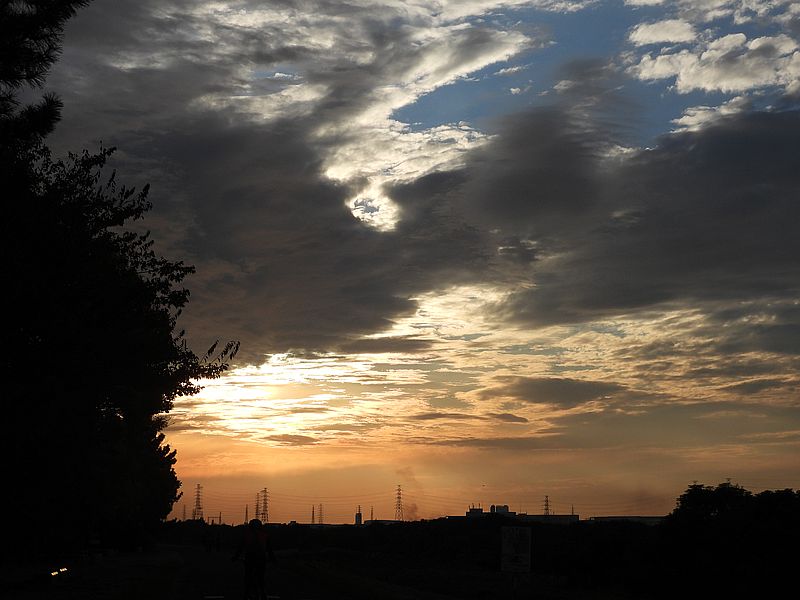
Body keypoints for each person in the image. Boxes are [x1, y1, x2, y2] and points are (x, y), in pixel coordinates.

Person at [233, 519, 276, 600]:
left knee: (248, 576)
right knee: (261, 577)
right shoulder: (264, 535)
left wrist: (235, 557)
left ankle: (246, 593)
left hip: (250, 557)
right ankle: (263, 593)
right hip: (261, 558)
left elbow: (240, 548)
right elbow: (269, 549)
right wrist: (273, 559)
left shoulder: (246, 535)